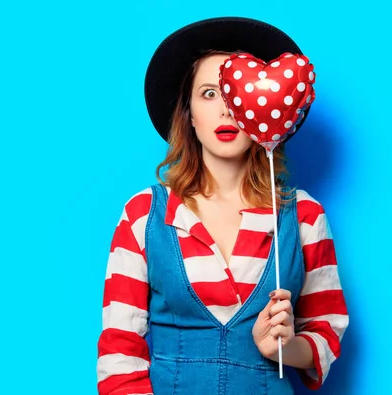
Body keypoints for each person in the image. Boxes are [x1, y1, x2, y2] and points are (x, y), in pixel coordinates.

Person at [96, 17, 349, 395]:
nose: (227, 109)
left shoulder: (304, 216)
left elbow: (326, 331)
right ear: (189, 115)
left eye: (238, 95)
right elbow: (119, 352)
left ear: (267, 113)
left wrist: (284, 346)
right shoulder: (144, 214)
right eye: (210, 93)